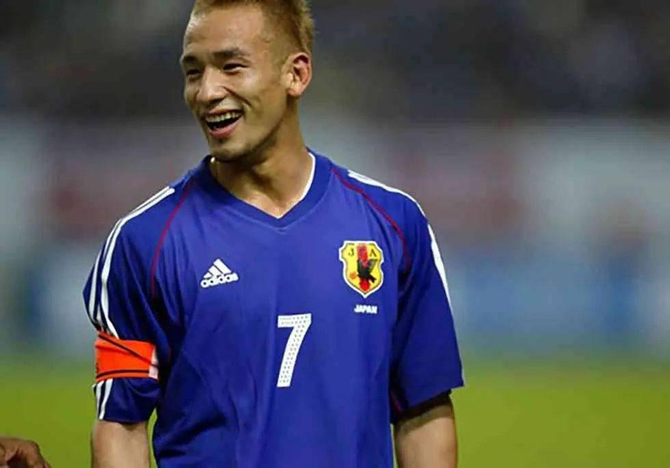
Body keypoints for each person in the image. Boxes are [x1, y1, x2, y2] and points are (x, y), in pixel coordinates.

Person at [83, 0, 464, 466]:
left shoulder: (393, 224)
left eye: (231, 67)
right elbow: (121, 425)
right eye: (193, 72)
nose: (207, 92)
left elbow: (422, 411)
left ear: (296, 75)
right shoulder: (144, 242)